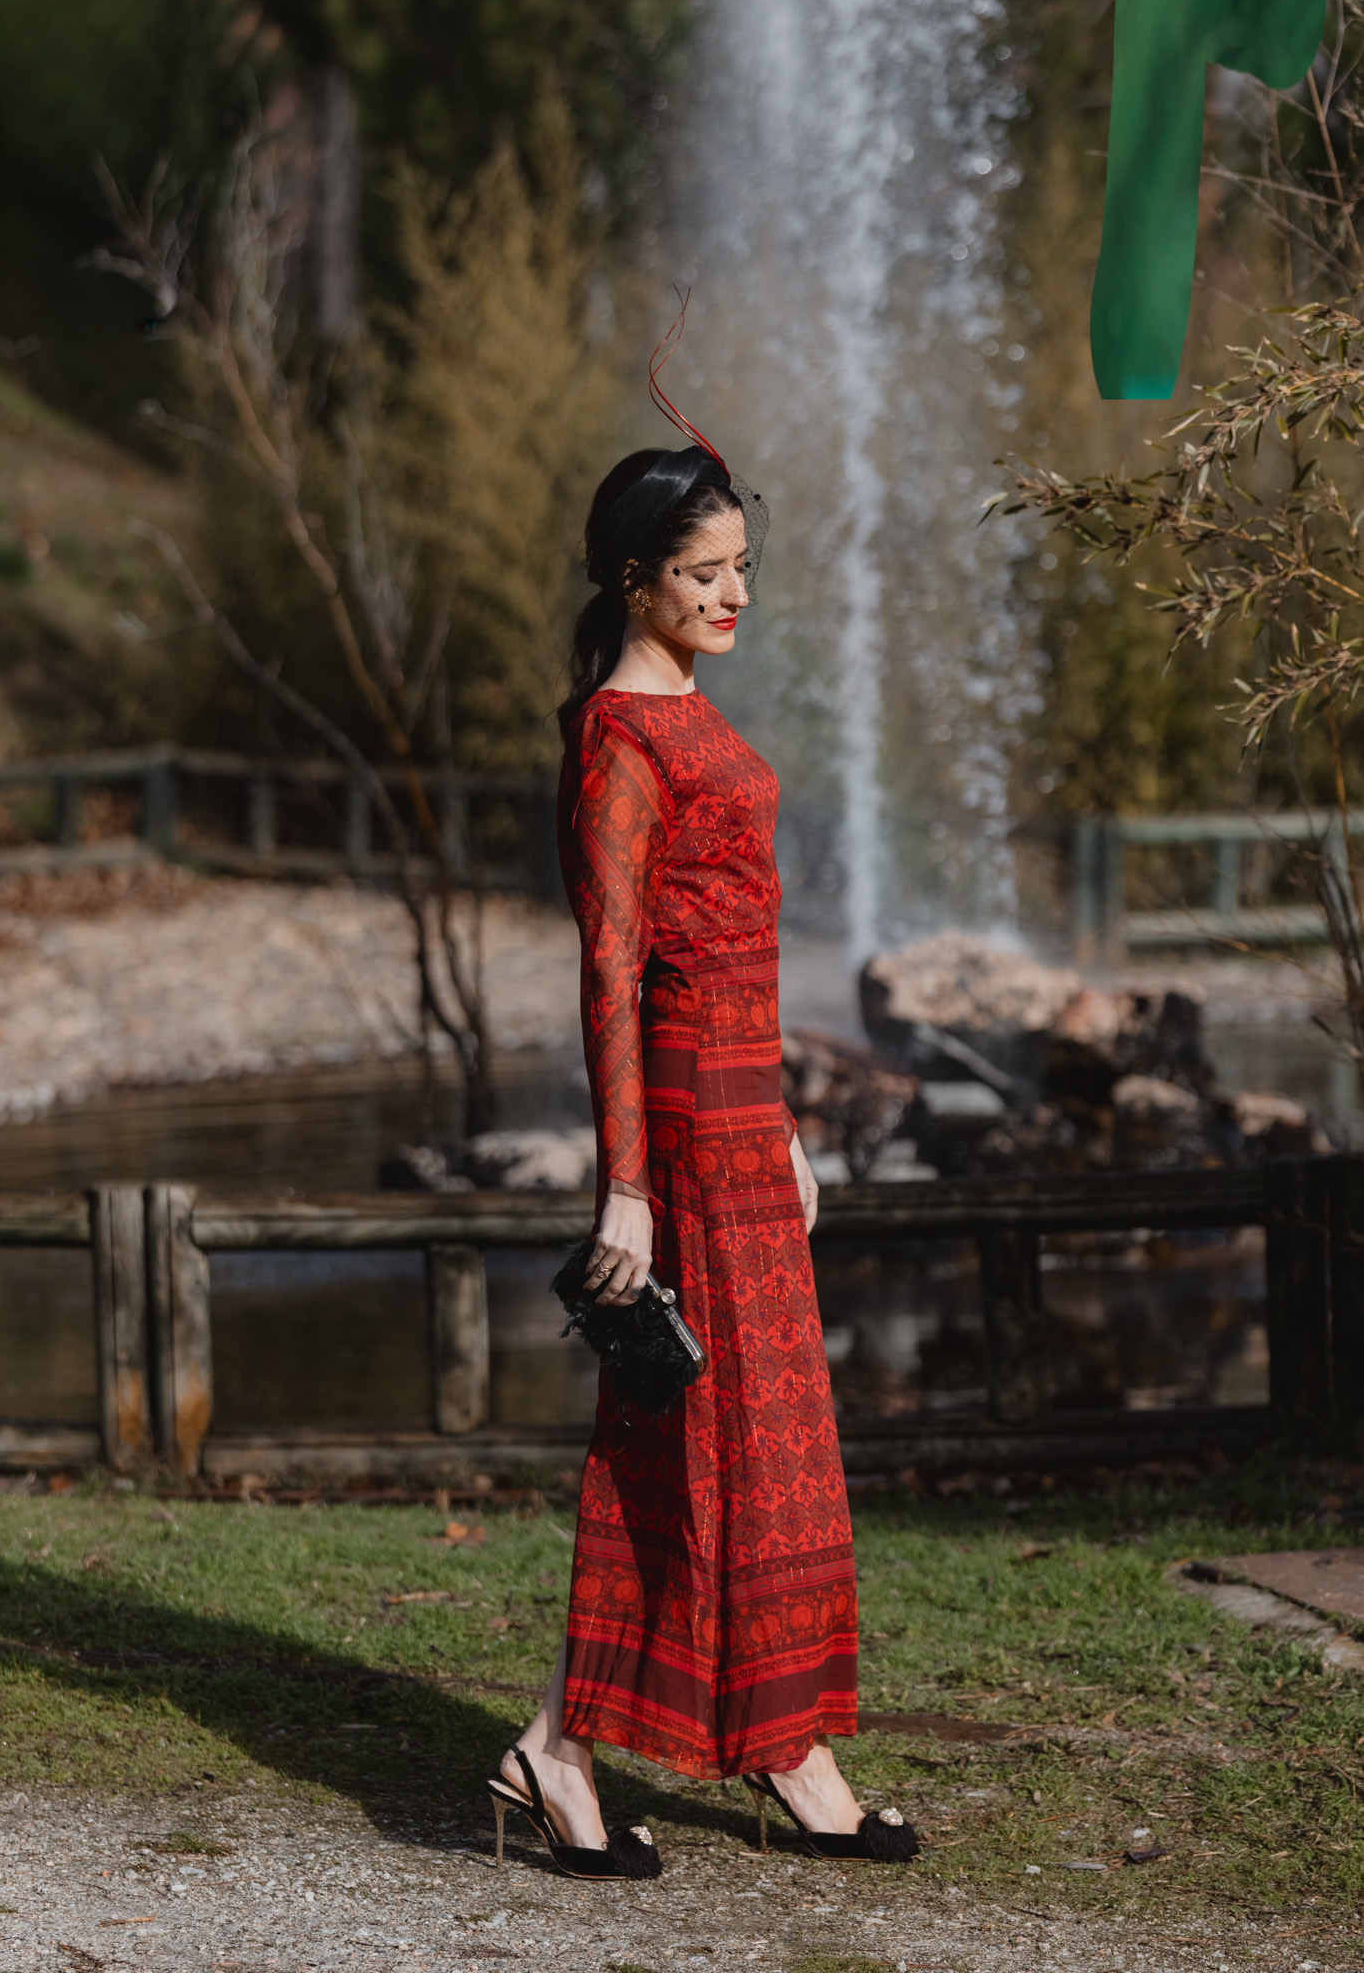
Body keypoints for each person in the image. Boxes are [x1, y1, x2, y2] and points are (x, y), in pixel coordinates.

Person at [487, 434, 918, 1878]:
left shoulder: (696, 708)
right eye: (704, 574)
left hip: (740, 1113)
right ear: (634, 578)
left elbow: (740, 948)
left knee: (769, 1438)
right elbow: (611, 975)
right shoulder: (617, 734)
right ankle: (558, 1746)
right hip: (672, 1117)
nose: (735, 594)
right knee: (677, 1435)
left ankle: (785, 1741)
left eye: (741, 569)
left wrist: (784, 1124)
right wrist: (625, 1183)